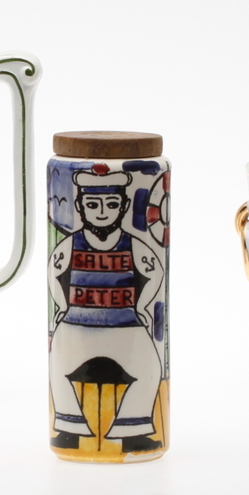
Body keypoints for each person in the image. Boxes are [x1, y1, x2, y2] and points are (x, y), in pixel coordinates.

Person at [47, 165, 165, 452]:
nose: (102, 212)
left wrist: (142, 306)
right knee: (57, 365)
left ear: (123, 206)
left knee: (150, 366)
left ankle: (132, 430)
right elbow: (53, 272)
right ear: (80, 206)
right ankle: (69, 428)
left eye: (111, 204)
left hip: (125, 324)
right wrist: (62, 306)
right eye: (92, 204)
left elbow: (156, 274)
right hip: (77, 323)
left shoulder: (133, 245)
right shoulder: (70, 244)